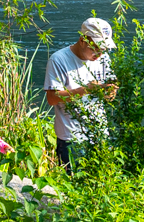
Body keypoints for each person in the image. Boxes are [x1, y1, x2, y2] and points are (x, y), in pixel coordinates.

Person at [43, 17, 116, 168]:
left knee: (103, 178)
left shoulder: (104, 59)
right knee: (73, 180)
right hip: (71, 137)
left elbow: (110, 89)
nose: (99, 54)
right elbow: (52, 98)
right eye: (96, 48)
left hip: (99, 133)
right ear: (83, 40)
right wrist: (84, 90)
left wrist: (110, 92)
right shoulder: (58, 60)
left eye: (103, 49)